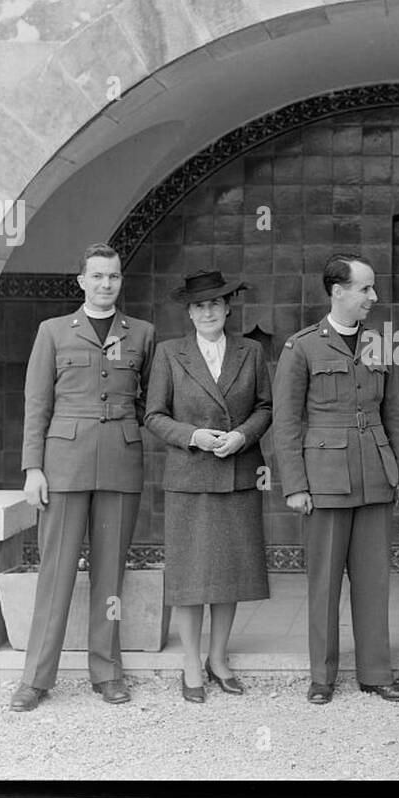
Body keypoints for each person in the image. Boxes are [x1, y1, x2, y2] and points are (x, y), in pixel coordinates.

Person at [10, 243, 155, 711]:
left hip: (120, 460)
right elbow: (37, 404)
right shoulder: (52, 332)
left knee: (110, 572)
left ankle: (107, 672)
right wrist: (33, 468)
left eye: (113, 277)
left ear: (120, 281)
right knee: (56, 573)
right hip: (64, 463)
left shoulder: (142, 334)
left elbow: (148, 403)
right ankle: (36, 678)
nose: (106, 284)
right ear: (82, 281)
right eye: (97, 277)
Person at [271, 253, 399, 705]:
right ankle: (322, 676)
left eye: (372, 289)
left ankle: (376, 672)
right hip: (324, 482)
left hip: (375, 476)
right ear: (338, 292)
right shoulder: (302, 348)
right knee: (324, 584)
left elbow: (394, 413)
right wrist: (295, 484)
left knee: (376, 582)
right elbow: (287, 421)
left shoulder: (377, 345)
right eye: (365, 289)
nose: (373, 297)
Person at [144, 271, 272, 703]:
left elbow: (265, 407)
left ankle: (218, 659)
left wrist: (243, 436)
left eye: (216, 303)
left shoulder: (250, 351)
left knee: (229, 573)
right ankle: (191, 662)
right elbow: (154, 415)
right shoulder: (169, 353)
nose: (208, 311)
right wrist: (193, 436)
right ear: (190, 312)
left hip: (237, 474)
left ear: (228, 307)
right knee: (191, 576)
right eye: (200, 305)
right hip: (190, 476)